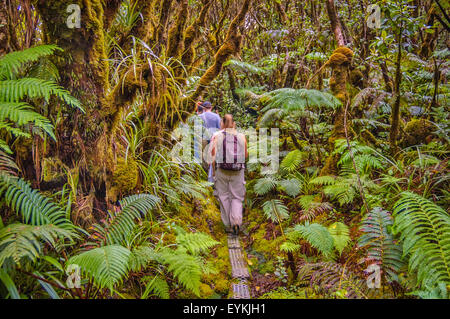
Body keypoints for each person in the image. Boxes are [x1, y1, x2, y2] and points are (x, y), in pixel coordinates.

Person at [210, 114, 248, 236]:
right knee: (237, 197)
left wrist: (214, 171)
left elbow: (213, 155)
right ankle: (236, 222)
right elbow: (246, 155)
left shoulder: (217, 136)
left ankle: (227, 225)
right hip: (238, 171)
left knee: (224, 196)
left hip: (222, 170)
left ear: (222, 123)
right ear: (233, 123)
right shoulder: (241, 136)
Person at [199, 101, 221, 183]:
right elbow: (220, 129)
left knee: (204, 156)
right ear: (211, 107)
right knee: (213, 156)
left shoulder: (199, 116)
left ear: (204, 108)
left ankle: (205, 174)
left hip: (203, 138)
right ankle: (213, 174)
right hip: (214, 138)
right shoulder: (216, 117)